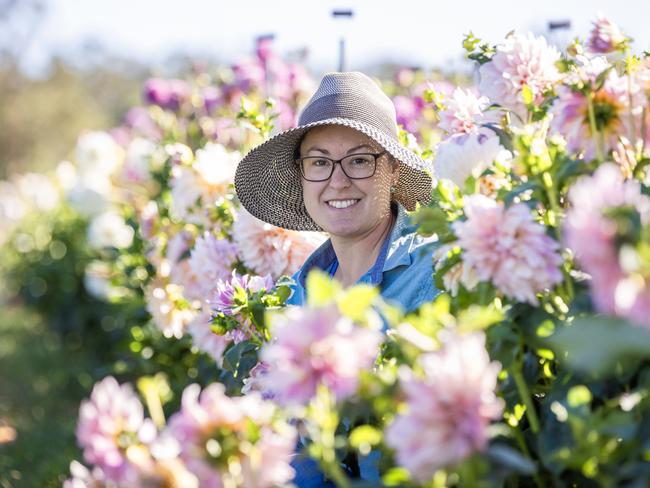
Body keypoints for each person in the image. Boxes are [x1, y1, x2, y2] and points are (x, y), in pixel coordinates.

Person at [234, 71, 439, 486]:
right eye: (320, 162)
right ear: (302, 173)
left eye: (360, 160)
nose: (338, 180)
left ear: (394, 169)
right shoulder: (296, 297)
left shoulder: (431, 273)